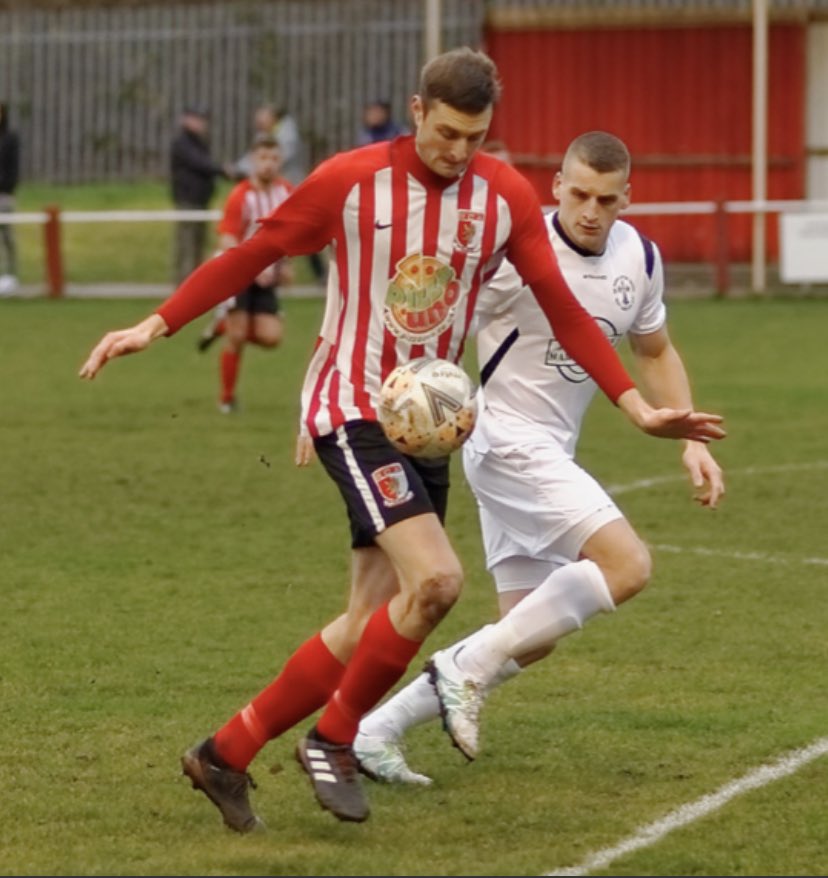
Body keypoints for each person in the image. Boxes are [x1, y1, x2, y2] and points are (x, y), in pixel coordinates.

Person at [79, 50, 724, 831]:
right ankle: (334, 740)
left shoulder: (502, 197)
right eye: (447, 132)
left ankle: (226, 752)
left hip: (428, 424)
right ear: (417, 111)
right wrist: (156, 323)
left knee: (369, 619)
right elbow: (257, 251)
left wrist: (636, 408)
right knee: (439, 582)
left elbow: (562, 307)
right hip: (356, 408)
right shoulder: (351, 183)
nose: (458, 152)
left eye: (475, 137)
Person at [353, 130, 725, 785]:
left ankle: (374, 731)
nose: (590, 209)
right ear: (556, 185)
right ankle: (458, 672)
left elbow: (656, 351)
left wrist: (692, 440)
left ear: (626, 199)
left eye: (606, 199)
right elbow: (432, 323)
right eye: (578, 192)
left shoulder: (639, 258)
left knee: (531, 632)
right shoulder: (515, 256)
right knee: (628, 565)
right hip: (502, 439)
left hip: (551, 448)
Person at [198, 134, 294, 413]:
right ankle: (227, 399)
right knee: (237, 338)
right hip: (236, 272)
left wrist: (285, 263)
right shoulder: (241, 195)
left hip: (265, 276)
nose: (268, 165)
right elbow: (227, 239)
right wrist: (252, 267)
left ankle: (221, 326)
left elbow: (289, 231)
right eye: (263, 158)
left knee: (272, 337)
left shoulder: (286, 191)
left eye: (274, 159)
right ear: (253, 161)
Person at [170, 105, 234, 286]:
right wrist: (222, 169)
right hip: (188, 199)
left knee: (198, 242)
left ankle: (195, 281)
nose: (201, 123)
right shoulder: (182, 143)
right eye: (197, 119)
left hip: (200, 199)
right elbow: (199, 163)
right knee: (187, 243)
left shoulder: (199, 142)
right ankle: (182, 282)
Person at [0, 101, 21, 296]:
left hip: (3, 195)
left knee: (6, 235)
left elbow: (12, 169)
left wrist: (6, 187)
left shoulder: (10, 138)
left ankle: (10, 275)